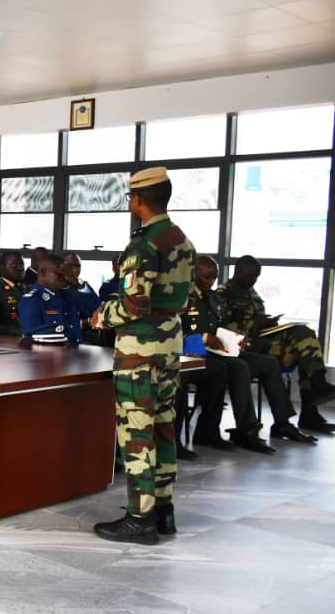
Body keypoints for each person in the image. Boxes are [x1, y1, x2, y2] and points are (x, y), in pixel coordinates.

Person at [92, 166, 195, 545]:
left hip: (140, 350)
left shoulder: (144, 244)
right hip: (170, 344)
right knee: (165, 426)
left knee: (137, 433)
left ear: (137, 200)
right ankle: (163, 511)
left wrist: (102, 316)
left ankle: (140, 518)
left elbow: (134, 305)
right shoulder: (181, 240)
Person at [217, 254, 335, 437]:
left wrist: (267, 323)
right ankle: (310, 400)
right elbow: (222, 329)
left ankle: (311, 405)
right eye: (250, 276)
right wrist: (255, 324)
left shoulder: (251, 293)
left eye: (256, 277)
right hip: (244, 345)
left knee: (303, 334)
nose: (253, 280)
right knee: (302, 351)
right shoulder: (224, 294)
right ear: (238, 271)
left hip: (261, 338)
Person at [181, 256, 283, 453]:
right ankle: (240, 429)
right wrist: (203, 338)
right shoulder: (183, 298)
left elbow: (220, 328)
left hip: (217, 350)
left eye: (214, 277)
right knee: (232, 367)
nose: (211, 282)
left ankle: (215, 431)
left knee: (244, 364)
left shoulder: (213, 298)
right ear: (194, 275)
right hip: (191, 352)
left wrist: (236, 339)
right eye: (206, 277)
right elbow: (174, 332)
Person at [19, 256, 83, 344]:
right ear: (43, 272)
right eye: (59, 274)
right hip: (49, 353)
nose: (63, 278)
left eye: (65, 274)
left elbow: (94, 311)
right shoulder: (32, 300)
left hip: (75, 351)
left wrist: (78, 285)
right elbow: (32, 336)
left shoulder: (68, 295)